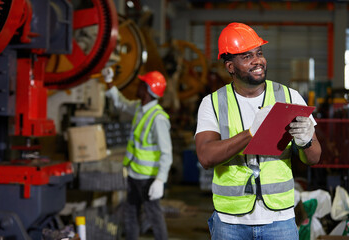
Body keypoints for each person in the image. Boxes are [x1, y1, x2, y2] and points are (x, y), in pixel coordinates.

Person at [195, 22, 322, 240]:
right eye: (246, 56)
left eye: (259, 53)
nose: (258, 61)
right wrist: (251, 133)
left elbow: (314, 158)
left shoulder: (289, 97)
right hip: (231, 222)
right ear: (230, 67)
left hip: (279, 220)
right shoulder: (213, 103)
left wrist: (306, 140)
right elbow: (206, 157)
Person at [105, 70, 172, 240]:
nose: (138, 86)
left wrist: (160, 180)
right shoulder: (139, 108)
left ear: (148, 89)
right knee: (131, 214)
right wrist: (109, 81)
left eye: (142, 84)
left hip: (148, 179)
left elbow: (166, 153)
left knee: (154, 217)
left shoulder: (158, 118)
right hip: (134, 174)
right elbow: (121, 103)